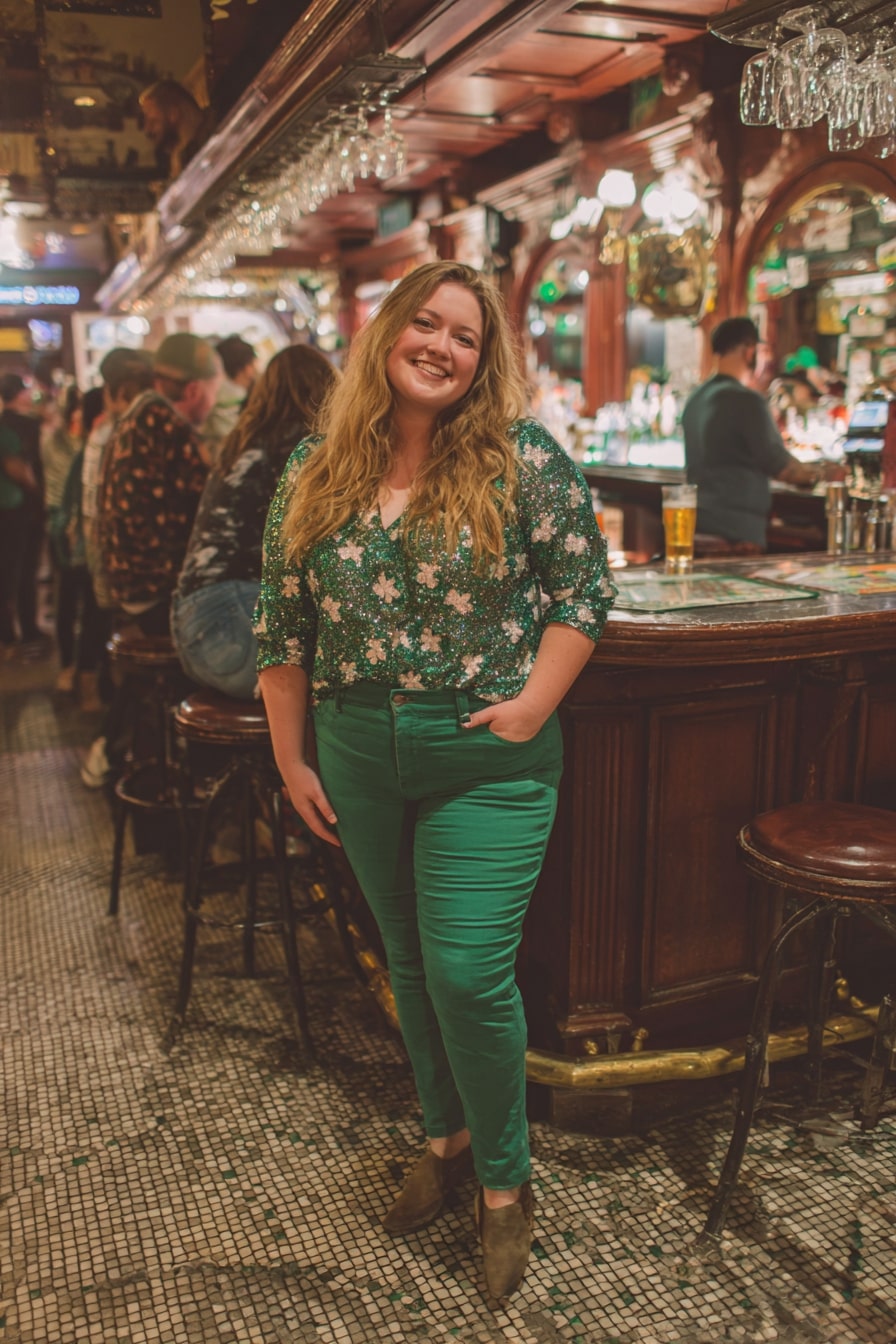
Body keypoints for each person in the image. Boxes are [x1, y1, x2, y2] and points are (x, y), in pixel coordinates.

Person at [255, 261, 616, 1300]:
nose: (443, 347)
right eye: (426, 323)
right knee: (408, 966)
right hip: (356, 746)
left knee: (466, 972)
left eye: (465, 336)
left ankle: (506, 1186)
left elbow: (582, 593)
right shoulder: (313, 466)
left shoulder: (523, 461)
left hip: (483, 760)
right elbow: (282, 624)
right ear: (385, 335)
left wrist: (533, 706)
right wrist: (289, 756)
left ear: (483, 360)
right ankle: (444, 1138)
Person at [172, 344, 336, 699]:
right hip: (233, 620)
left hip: (194, 620)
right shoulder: (299, 449)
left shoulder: (244, 440)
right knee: (336, 692)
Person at [682, 316, 843, 551]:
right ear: (749, 352)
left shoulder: (695, 399)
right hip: (737, 535)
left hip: (698, 523)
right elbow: (783, 468)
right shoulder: (746, 400)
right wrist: (827, 473)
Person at [96, 332, 219, 638]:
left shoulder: (140, 414)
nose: (214, 402)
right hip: (153, 591)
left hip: (128, 582)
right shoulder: (167, 424)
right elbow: (207, 507)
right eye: (214, 391)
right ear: (193, 390)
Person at [0, 372, 45, 646]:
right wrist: (38, 491)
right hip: (19, 508)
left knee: (7, 570)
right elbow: (20, 469)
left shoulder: (4, 423)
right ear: (20, 393)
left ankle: (9, 631)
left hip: (11, 508)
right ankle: (26, 629)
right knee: (25, 569)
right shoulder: (26, 426)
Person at [201, 335, 259, 465]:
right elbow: (233, 440)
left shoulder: (217, 392)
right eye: (253, 364)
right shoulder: (231, 397)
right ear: (247, 368)